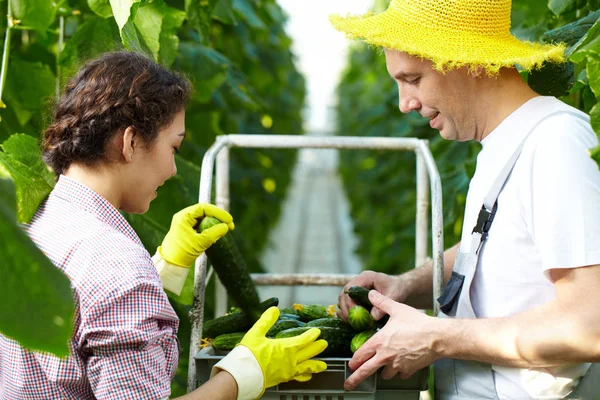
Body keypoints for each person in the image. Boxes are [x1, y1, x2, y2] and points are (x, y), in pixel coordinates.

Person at [0, 51, 327, 400]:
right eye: (174, 147)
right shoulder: (120, 270)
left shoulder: (30, 224)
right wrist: (242, 375)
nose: (173, 170)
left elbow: (85, 315)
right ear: (130, 142)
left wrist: (165, 268)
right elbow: (112, 288)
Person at [330, 1, 600, 399]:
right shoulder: (505, 143)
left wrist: (438, 338)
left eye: (414, 79)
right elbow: (494, 247)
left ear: (468, 61)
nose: (405, 102)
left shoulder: (556, 145)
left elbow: (589, 324)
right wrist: (405, 286)